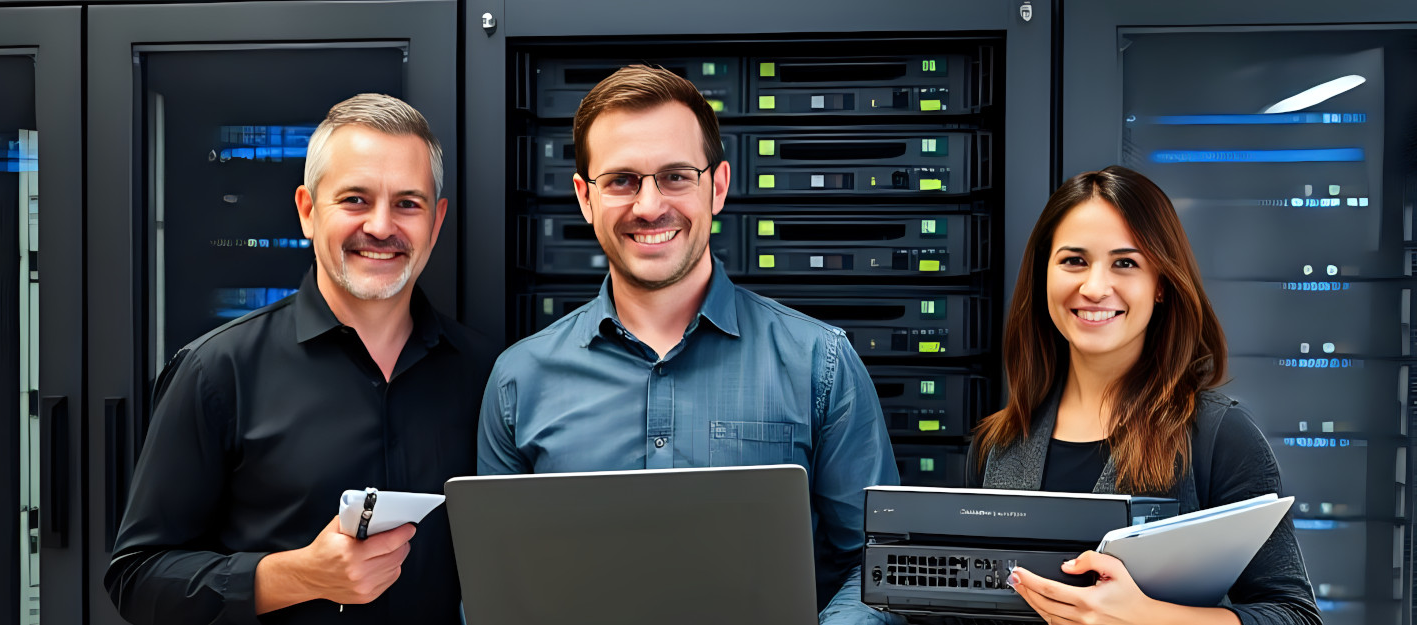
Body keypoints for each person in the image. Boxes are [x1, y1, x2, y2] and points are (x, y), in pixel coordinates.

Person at [477, 65, 901, 624]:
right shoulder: (518, 381)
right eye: (622, 180)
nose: (650, 206)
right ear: (584, 197)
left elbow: (881, 564)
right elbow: (495, 585)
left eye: (676, 176)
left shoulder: (819, 364)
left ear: (717, 186)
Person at [105, 93, 496, 624]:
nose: (381, 227)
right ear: (308, 212)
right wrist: (298, 575)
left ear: (437, 220)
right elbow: (137, 578)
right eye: (355, 200)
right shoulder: (217, 372)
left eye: (408, 203)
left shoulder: (486, 373)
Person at [966, 166, 1321, 625]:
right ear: (1043, 278)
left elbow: (1295, 617)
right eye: (1074, 261)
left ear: (1161, 285)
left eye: (1125, 263)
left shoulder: (1219, 437)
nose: (1094, 287)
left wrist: (1149, 618)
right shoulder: (996, 444)